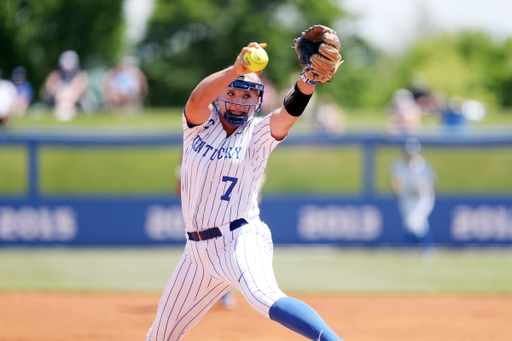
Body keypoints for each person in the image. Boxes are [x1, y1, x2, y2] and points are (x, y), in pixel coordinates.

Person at [146, 29, 344, 341]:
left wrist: (307, 82)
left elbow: (287, 114)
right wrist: (237, 69)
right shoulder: (197, 127)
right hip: (196, 254)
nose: (239, 102)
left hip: (239, 238)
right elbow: (197, 99)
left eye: (248, 96)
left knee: (264, 297)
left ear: (257, 100)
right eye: (233, 93)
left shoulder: (256, 134)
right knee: (160, 337)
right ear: (221, 94)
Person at [389, 138, 437, 259]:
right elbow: (395, 180)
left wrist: (421, 187)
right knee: (411, 223)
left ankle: (419, 248)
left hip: (422, 197)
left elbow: (431, 182)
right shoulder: (399, 164)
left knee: (415, 221)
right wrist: (397, 189)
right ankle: (423, 248)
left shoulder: (422, 164)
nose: (411, 154)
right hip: (407, 196)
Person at [43, 50, 89, 121]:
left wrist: (67, 96)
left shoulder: (81, 76)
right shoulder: (55, 75)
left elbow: (77, 94)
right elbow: (49, 89)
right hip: (58, 103)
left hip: (74, 104)